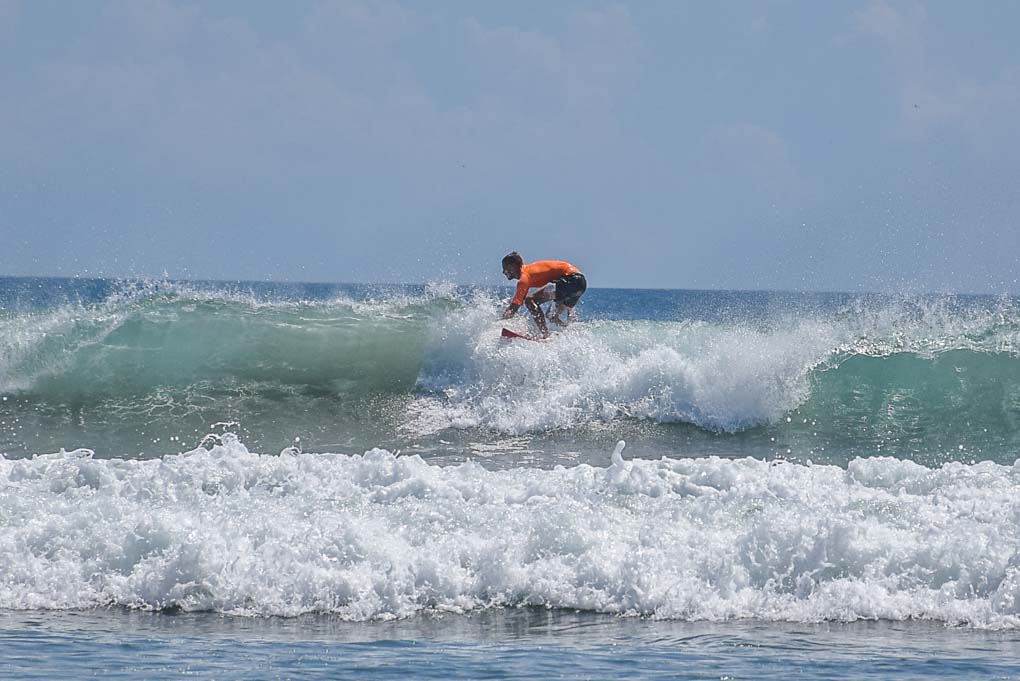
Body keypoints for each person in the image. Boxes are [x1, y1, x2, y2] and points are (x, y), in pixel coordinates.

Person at [501, 252, 587, 337]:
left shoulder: (524, 277)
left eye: (505, 268)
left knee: (530, 300)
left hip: (570, 280)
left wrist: (499, 323)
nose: (503, 272)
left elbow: (514, 307)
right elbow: (519, 300)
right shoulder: (529, 271)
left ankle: (545, 334)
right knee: (551, 316)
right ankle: (567, 334)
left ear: (512, 266)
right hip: (580, 284)